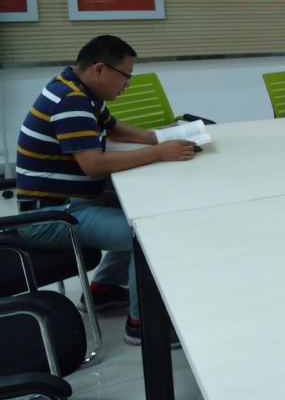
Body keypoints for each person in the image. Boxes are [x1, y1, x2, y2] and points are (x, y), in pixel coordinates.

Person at [15, 35, 198, 347]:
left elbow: (111, 128)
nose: (127, 85)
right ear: (99, 69)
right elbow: (94, 165)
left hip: (69, 202)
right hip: (52, 217)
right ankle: (143, 326)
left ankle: (102, 289)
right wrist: (158, 153)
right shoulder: (70, 100)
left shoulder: (77, 88)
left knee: (141, 208)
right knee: (147, 235)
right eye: (125, 76)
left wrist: (155, 138)